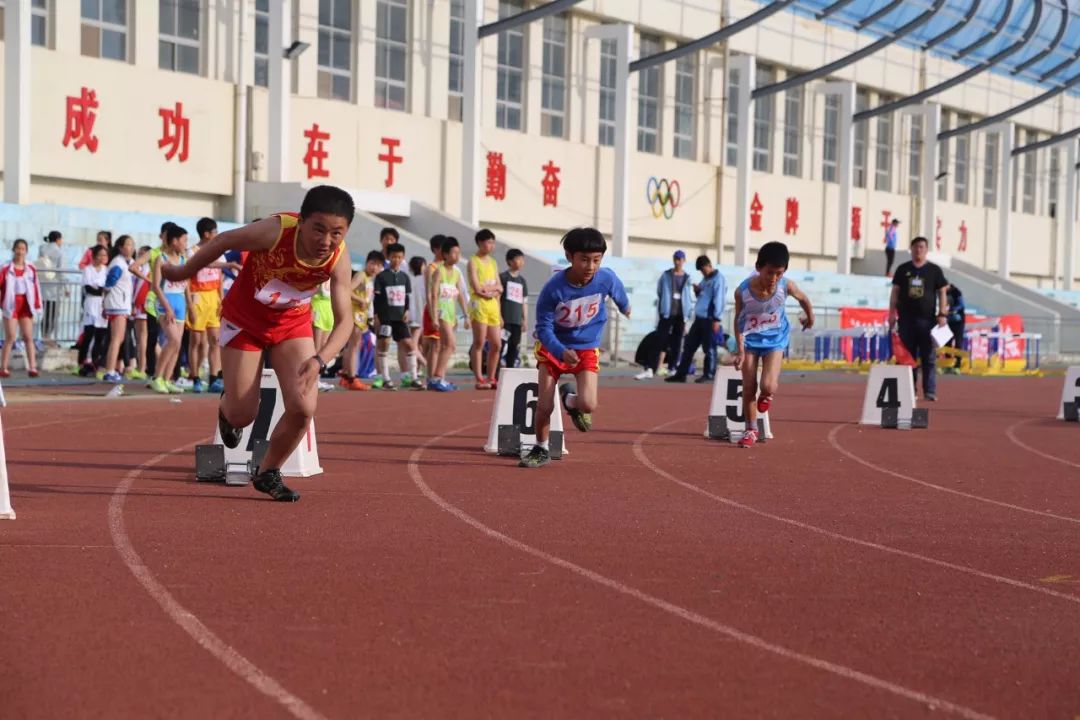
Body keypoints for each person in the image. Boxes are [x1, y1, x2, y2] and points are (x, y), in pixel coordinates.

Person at [161, 185, 357, 502]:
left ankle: (269, 472)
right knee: (243, 415)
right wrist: (183, 271)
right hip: (245, 322)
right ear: (302, 221)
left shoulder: (338, 257)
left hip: (291, 325)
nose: (325, 241)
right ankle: (228, 410)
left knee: (304, 406)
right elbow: (223, 241)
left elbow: (345, 319)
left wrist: (321, 360)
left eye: (336, 233)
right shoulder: (275, 231)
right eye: (318, 230)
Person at [519, 228, 631, 469]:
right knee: (544, 406)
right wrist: (560, 350)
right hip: (554, 348)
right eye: (584, 259)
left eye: (596, 260)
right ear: (569, 256)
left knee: (589, 404)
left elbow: (617, 290)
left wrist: (625, 306)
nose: (590, 266)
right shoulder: (553, 289)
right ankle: (541, 447)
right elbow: (544, 329)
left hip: (586, 347)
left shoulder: (605, 278)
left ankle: (570, 401)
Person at [732, 242, 814, 449]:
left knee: (767, 385)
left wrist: (810, 318)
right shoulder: (743, 291)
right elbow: (738, 320)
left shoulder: (786, 286)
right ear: (759, 267)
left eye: (779, 273)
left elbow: (803, 299)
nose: (774, 279)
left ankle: (767, 395)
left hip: (775, 340)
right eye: (770, 273)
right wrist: (740, 350)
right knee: (749, 386)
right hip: (751, 340)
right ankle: (750, 430)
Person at [889, 236, 949, 401]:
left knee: (928, 357)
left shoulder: (934, 271)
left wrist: (942, 313)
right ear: (911, 248)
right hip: (906, 319)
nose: (919, 250)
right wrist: (891, 313)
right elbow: (895, 292)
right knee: (907, 356)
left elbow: (942, 291)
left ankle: (929, 391)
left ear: (926, 250)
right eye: (916, 247)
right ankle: (910, 390)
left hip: (927, 320)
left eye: (922, 247)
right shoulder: (903, 269)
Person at [665, 255, 726, 384]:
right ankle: (681, 373)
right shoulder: (705, 280)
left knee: (709, 348)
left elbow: (719, 299)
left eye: (703, 270)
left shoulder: (718, 280)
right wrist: (698, 290)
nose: (702, 273)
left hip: (709, 318)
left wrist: (717, 319)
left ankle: (709, 373)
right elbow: (702, 296)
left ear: (709, 265)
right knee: (689, 346)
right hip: (699, 319)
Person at [637, 250, 692, 380]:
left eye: (680, 259)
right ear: (673, 260)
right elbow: (660, 291)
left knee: (677, 342)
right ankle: (651, 367)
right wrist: (664, 306)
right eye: (676, 259)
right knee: (659, 340)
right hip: (667, 313)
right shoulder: (666, 275)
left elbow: (688, 296)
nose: (678, 261)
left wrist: (688, 314)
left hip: (681, 314)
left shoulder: (687, 277)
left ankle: (672, 368)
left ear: (684, 261)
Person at [372, 243, 420, 389]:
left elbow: (406, 297)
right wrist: (377, 316)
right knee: (384, 345)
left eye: (399, 257)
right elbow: (377, 299)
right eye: (393, 257)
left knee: (409, 345)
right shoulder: (381, 277)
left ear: (403, 258)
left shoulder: (405, 277)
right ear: (388, 257)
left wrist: (406, 311)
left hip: (400, 317)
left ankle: (413, 377)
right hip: (386, 316)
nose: (396, 260)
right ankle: (385, 378)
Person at [150, 224, 191, 394]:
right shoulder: (162, 259)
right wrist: (167, 308)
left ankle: (167, 379)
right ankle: (157, 377)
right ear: (174, 241)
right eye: (184, 240)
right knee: (173, 340)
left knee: (178, 344)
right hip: (166, 302)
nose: (186, 243)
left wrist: (190, 306)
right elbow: (156, 287)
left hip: (180, 303)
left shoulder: (183, 260)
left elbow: (186, 285)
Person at [186, 218, 225, 394]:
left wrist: (222, 300)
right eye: (215, 232)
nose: (217, 235)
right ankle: (195, 377)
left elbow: (220, 277)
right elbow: (186, 280)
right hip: (198, 297)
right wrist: (190, 305)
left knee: (215, 340)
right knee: (197, 341)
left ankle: (214, 378)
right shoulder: (192, 252)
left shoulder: (218, 252)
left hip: (213, 298)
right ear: (206, 234)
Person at [428, 237, 470, 392]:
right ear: (445, 254)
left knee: (447, 346)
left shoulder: (457, 273)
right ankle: (437, 376)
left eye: (458, 253)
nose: (457, 256)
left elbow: (460, 295)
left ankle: (439, 377)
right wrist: (433, 317)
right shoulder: (439, 271)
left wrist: (466, 315)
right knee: (450, 344)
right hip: (441, 312)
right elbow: (433, 295)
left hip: (452, 314)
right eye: (453, 253)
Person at [340, 251, 382, 390]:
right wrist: (360, 300)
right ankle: (352, 378)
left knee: (352, 345)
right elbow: (348, 290)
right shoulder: (361, 275)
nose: (374, 267)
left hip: (361, 314)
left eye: (378, 265)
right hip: (355, 313)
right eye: (372, 263)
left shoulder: (370, 279)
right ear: (367, 263)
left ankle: (346, 376)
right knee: (354, 345)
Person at [0, 239, 41, 377]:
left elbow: (36, 288)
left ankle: (33, 367)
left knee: (28, 336)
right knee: (11, 336)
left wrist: (37, 305)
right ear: (13, 249)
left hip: (25, 305)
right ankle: (4, 367)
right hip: (11, 304)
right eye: (18, 248)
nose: (20, 251)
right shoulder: (6, 268)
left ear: (26, 251)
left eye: (23, 249)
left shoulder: (30, 268)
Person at [468, 229, 503, 389]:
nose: (491, 246)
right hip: (479, 305)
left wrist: (491, 289)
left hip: (493, 306)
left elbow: (499, 287)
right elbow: (477, 288)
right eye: (488, 242)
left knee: (496, 344)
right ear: (480, 243)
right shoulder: (473, 261)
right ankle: (479, 378)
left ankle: (491, 377)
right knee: (479, 342)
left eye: (492, 242)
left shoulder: (493, 262)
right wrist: (490, 289)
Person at [102, 235, 136, 383]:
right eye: (128, 244)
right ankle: (109, 370)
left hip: (122, 304)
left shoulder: (129, 263)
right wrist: (107, 301)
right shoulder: (118, 263)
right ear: (121, 247)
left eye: (132, 244)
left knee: (119, 338)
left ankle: (112, 368)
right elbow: (109, 284)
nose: (131, 247)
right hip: (117, 304)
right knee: (116, 338)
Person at [77, 245, 110, 376]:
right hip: (91, 303)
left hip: (102, 304)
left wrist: (101, 289)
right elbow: (89, 288)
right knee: (88, 334)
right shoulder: (88, 270)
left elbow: (107, 287)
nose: (102, 257)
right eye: (100, 254)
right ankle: (81, 361)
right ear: (94, 255)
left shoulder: (106, 270)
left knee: (100, 335)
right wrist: (100, 289)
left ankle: (95, 363)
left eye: (104, 255)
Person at [499, 248, 528, 371]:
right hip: (504, 320)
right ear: (509, 261)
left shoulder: (522, 281)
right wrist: (499, 316)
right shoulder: (503, 277)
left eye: (522, 260)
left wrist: (524, 319)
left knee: (514, 346)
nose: (521, 262)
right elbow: (497, 299)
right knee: (500, 346)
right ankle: (495, 374)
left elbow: (524, 302)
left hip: (516, 321)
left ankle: (510, 371)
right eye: (518, 259)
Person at [422, 235, 445, 382]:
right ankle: (431, 378)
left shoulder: (448, 268)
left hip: (446, 310)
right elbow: (429, 294)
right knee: (434, 345)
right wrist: (432, 313)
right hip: (433, 310)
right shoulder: (431, 268)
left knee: (443, 345)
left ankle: (438, 375)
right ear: (436, 249)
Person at [131, 245, 153, 380]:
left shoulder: (145, 269)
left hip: (143, 305)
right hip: (144, 305)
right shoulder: (147, 269)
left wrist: (136, 304)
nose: (139, 256)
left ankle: (142, 368)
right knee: (147, 340)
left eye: (142, 254)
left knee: (142, 339)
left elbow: (141, 290)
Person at [37, 231, 63, 343]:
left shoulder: (42, 249)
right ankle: (48, 336)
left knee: (44, 313)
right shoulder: (59, 252)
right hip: (54, 287)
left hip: (42, 286)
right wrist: (65, 287)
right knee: (52, 314)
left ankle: (43, 335)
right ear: (58, 239)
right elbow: (61, 271)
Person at [407, 256, 427, 386]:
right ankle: (426, 365)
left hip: (411, 315)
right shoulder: (424, 280)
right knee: (414, 344)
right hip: (419, 316)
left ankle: (419, 368)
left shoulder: (409, 278)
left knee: (416, 344)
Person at [945, 283, 966, 373]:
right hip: (948, 321)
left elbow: (962, 305)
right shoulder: (942, 292)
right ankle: (947, 364)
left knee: (958, 342)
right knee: (947, 342)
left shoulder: (956, 292)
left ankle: (957, 364)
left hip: (958, 321)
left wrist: (953, 310)